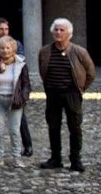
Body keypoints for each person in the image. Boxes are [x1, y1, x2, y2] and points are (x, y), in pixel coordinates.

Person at [37, 18, 96, 173]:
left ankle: (75, 160)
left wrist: (80, 89)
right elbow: (43, 70)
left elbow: (91, 73)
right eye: (56, 29)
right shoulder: (45, 51)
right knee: (53, 126)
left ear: (69, 33)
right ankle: (55, 158)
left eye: (62, 30)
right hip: (53, 93)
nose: (58, 32)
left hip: (72, 93)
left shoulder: (79, 51)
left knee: (75, 127)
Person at [0, 17, 33, 156]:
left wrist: (24, 96)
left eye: (6, 29)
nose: (4, 31)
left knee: (20, 121)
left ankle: (27, 145)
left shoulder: (16, 43)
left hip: (14, 88)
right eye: (1, 29)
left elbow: (20, 58)